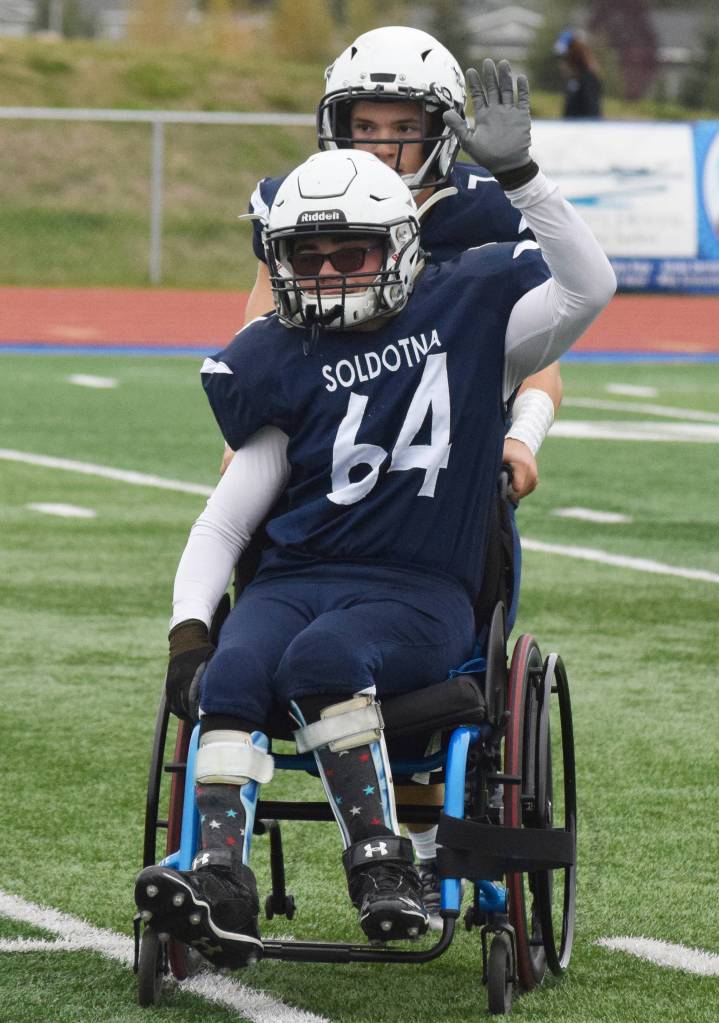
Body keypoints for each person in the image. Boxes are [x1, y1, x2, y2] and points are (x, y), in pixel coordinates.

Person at [134, 59, 616, 968]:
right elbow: (226, 513)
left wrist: (524, 178)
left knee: (321, 657)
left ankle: (383, 858)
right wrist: (190, 630)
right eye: (306, 257)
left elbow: (583, 296)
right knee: (234, 670)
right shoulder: (280, 350)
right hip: (300, 573)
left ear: (397, 249)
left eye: (347, 253)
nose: (323, 273)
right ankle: (219, 879)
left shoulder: (467, 298)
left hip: (416, 573)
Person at [232, 27, 564, 921]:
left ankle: (416, 845)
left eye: (401, 125)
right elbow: (259, 332)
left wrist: (521, 436)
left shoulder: (479, 217)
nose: (381, 143)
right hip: (325, 477)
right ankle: (223, 849)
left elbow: (537, 360)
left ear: (441, 129)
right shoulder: (293, 204)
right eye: (363, 124)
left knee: (421, 664)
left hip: (434, 484)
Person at [554, 28, 603, 119]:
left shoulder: (588, 79)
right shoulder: (573, 79)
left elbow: (593, 112)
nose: (562, 62)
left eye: (564, 57)